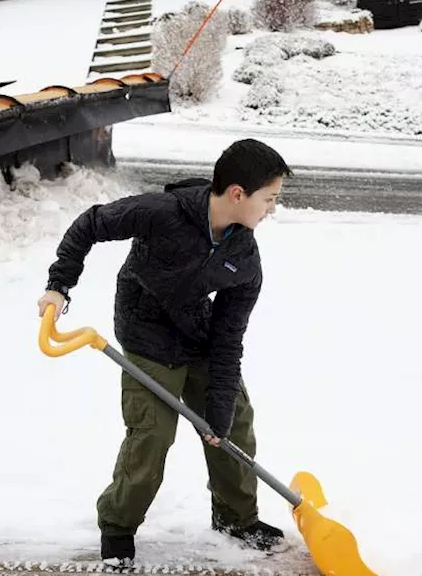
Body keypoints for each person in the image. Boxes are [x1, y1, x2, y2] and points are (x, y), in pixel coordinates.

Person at [37, 138, 291, 567]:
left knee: (233, 423)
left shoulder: (244, 257)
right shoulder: (162, 212)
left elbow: (229, 338)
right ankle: (117, 527)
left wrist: (219, 410)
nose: (271, 209)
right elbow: (90, 225)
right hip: (146, 333)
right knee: (151, 435)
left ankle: (236, 520)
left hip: (197, 335)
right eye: (269, 199)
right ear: (236, 194)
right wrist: (59, 285)